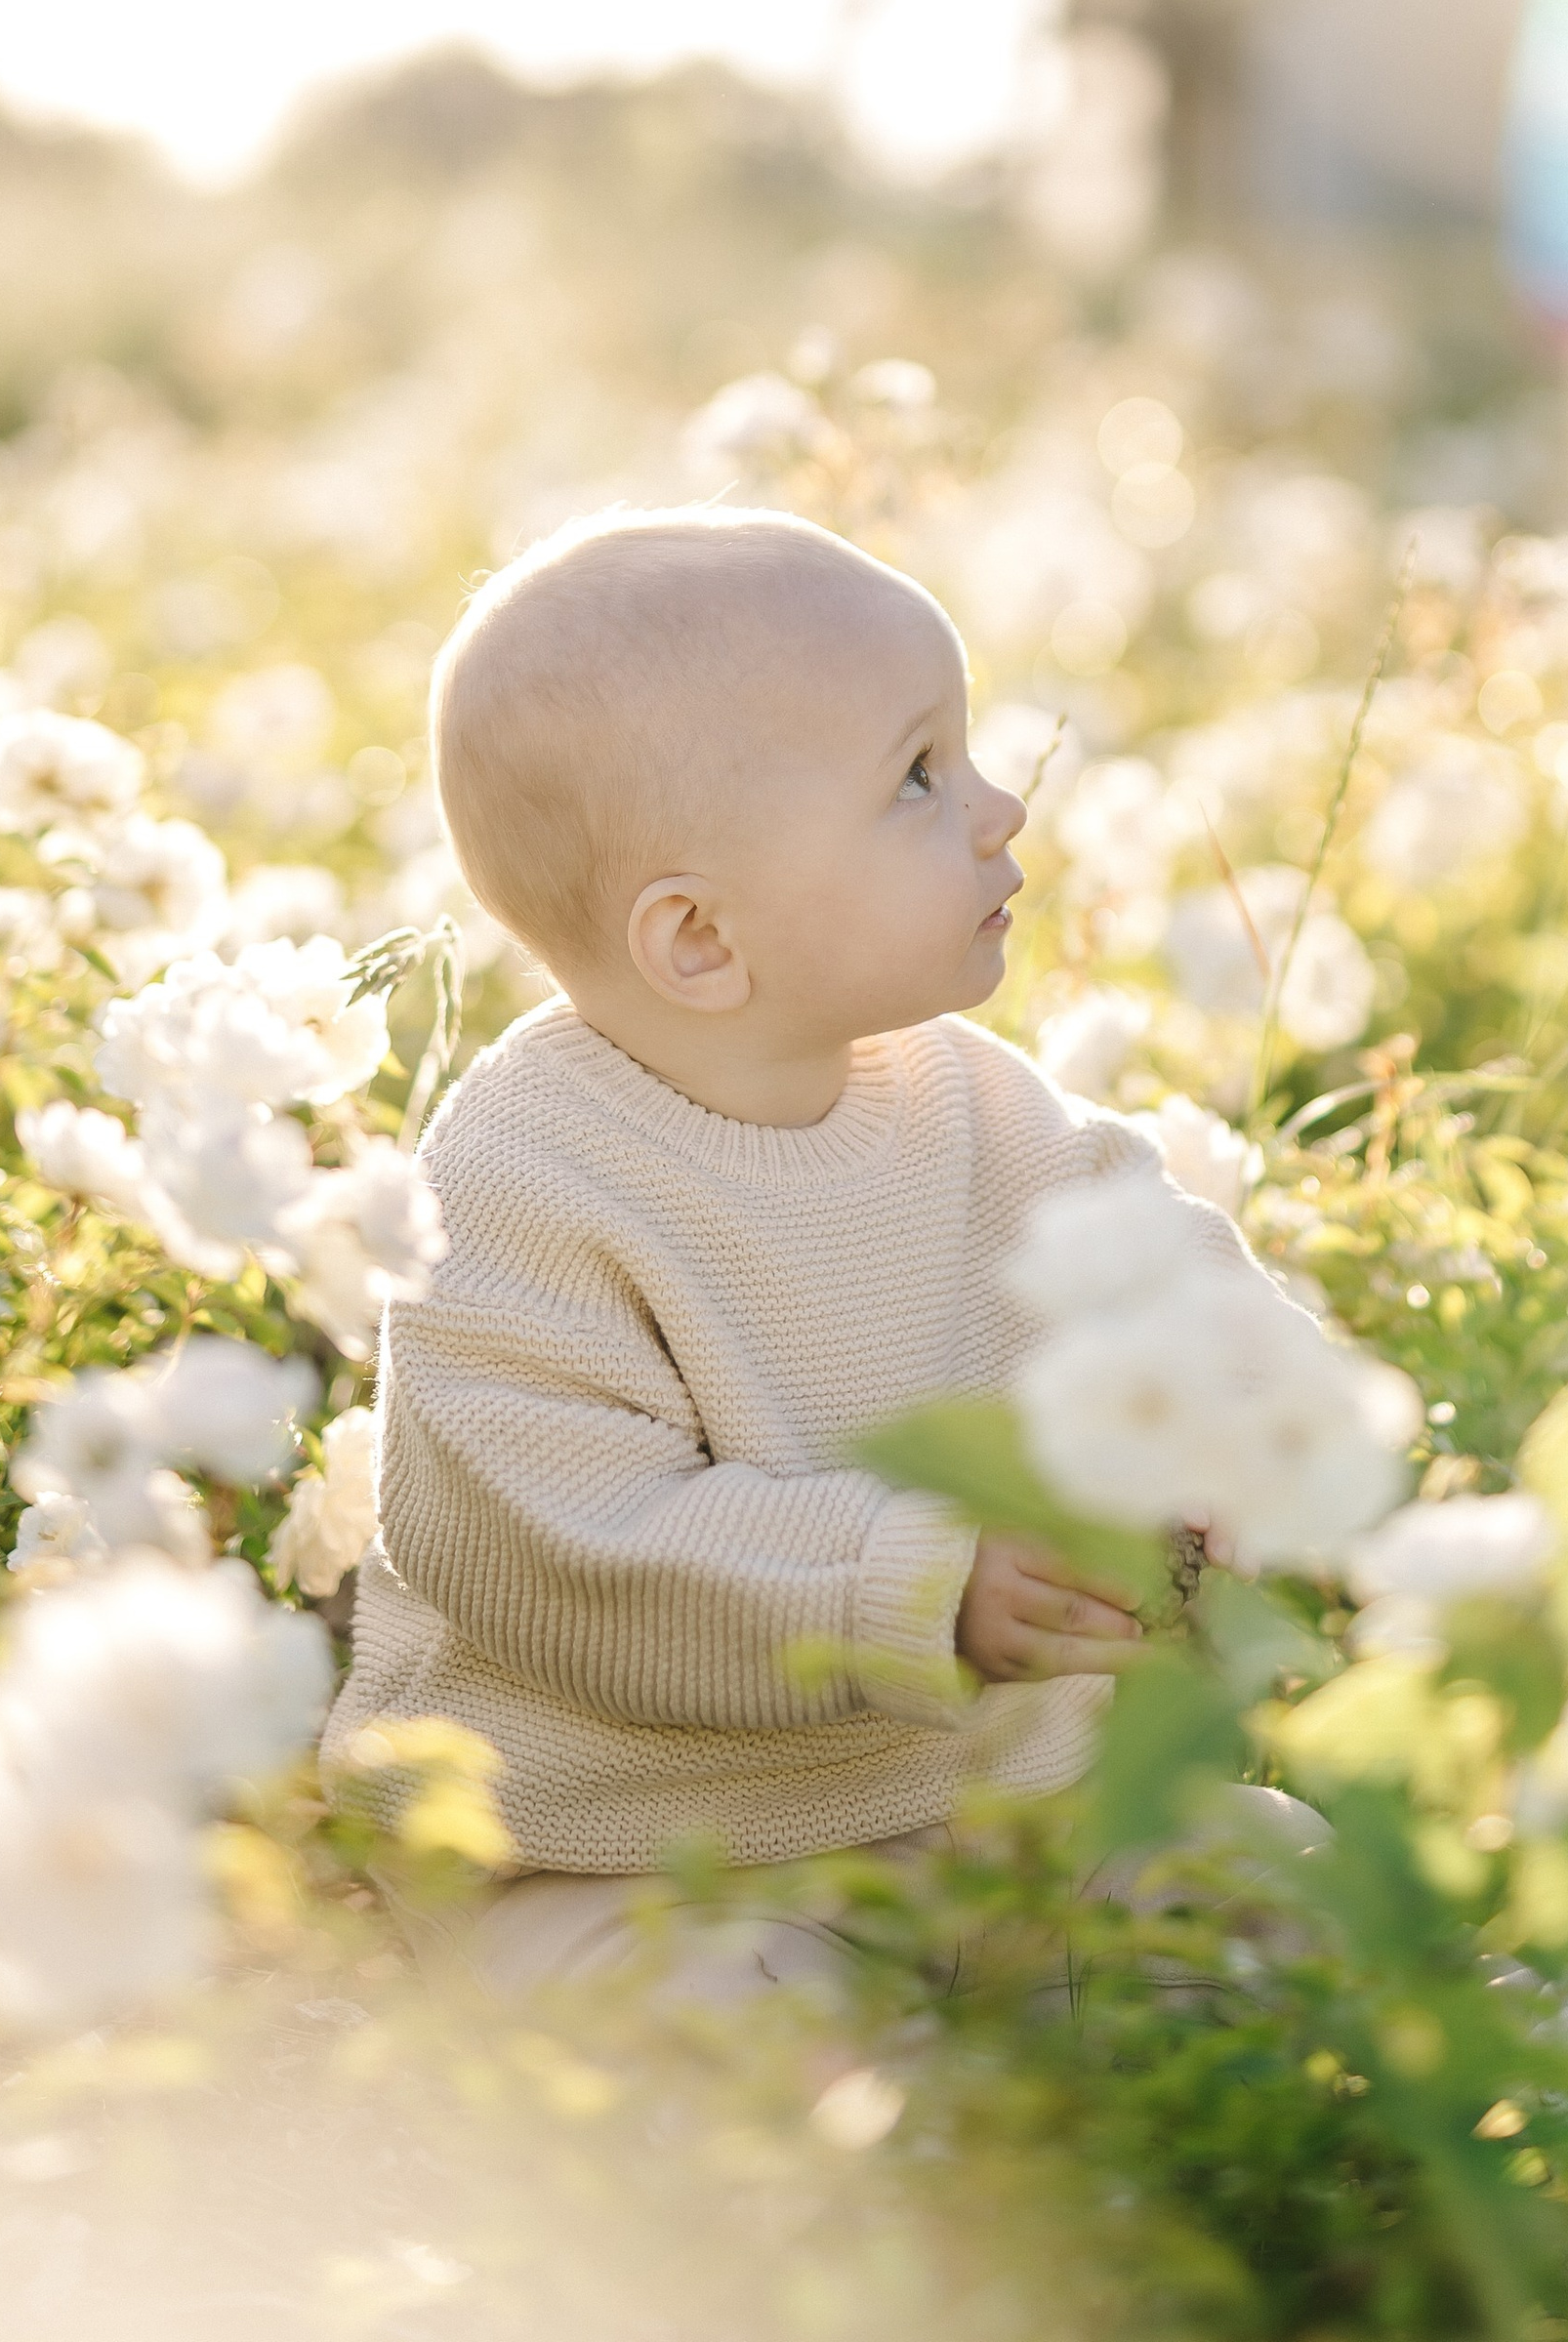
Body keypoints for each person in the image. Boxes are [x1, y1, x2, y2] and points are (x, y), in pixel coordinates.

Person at [323, 503, 1252, 1991]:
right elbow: (575, 1545)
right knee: (719, 2020)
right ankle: (907, 2148)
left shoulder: (961, 1098)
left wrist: (1232, 1406)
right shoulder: (519, 1185)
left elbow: (1143, 1245)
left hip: (986, 1812)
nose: (1000, 806)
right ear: (701, 940)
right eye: (917, 776)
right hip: (623, 1855)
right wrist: (909, 1584)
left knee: (1259, 1886)